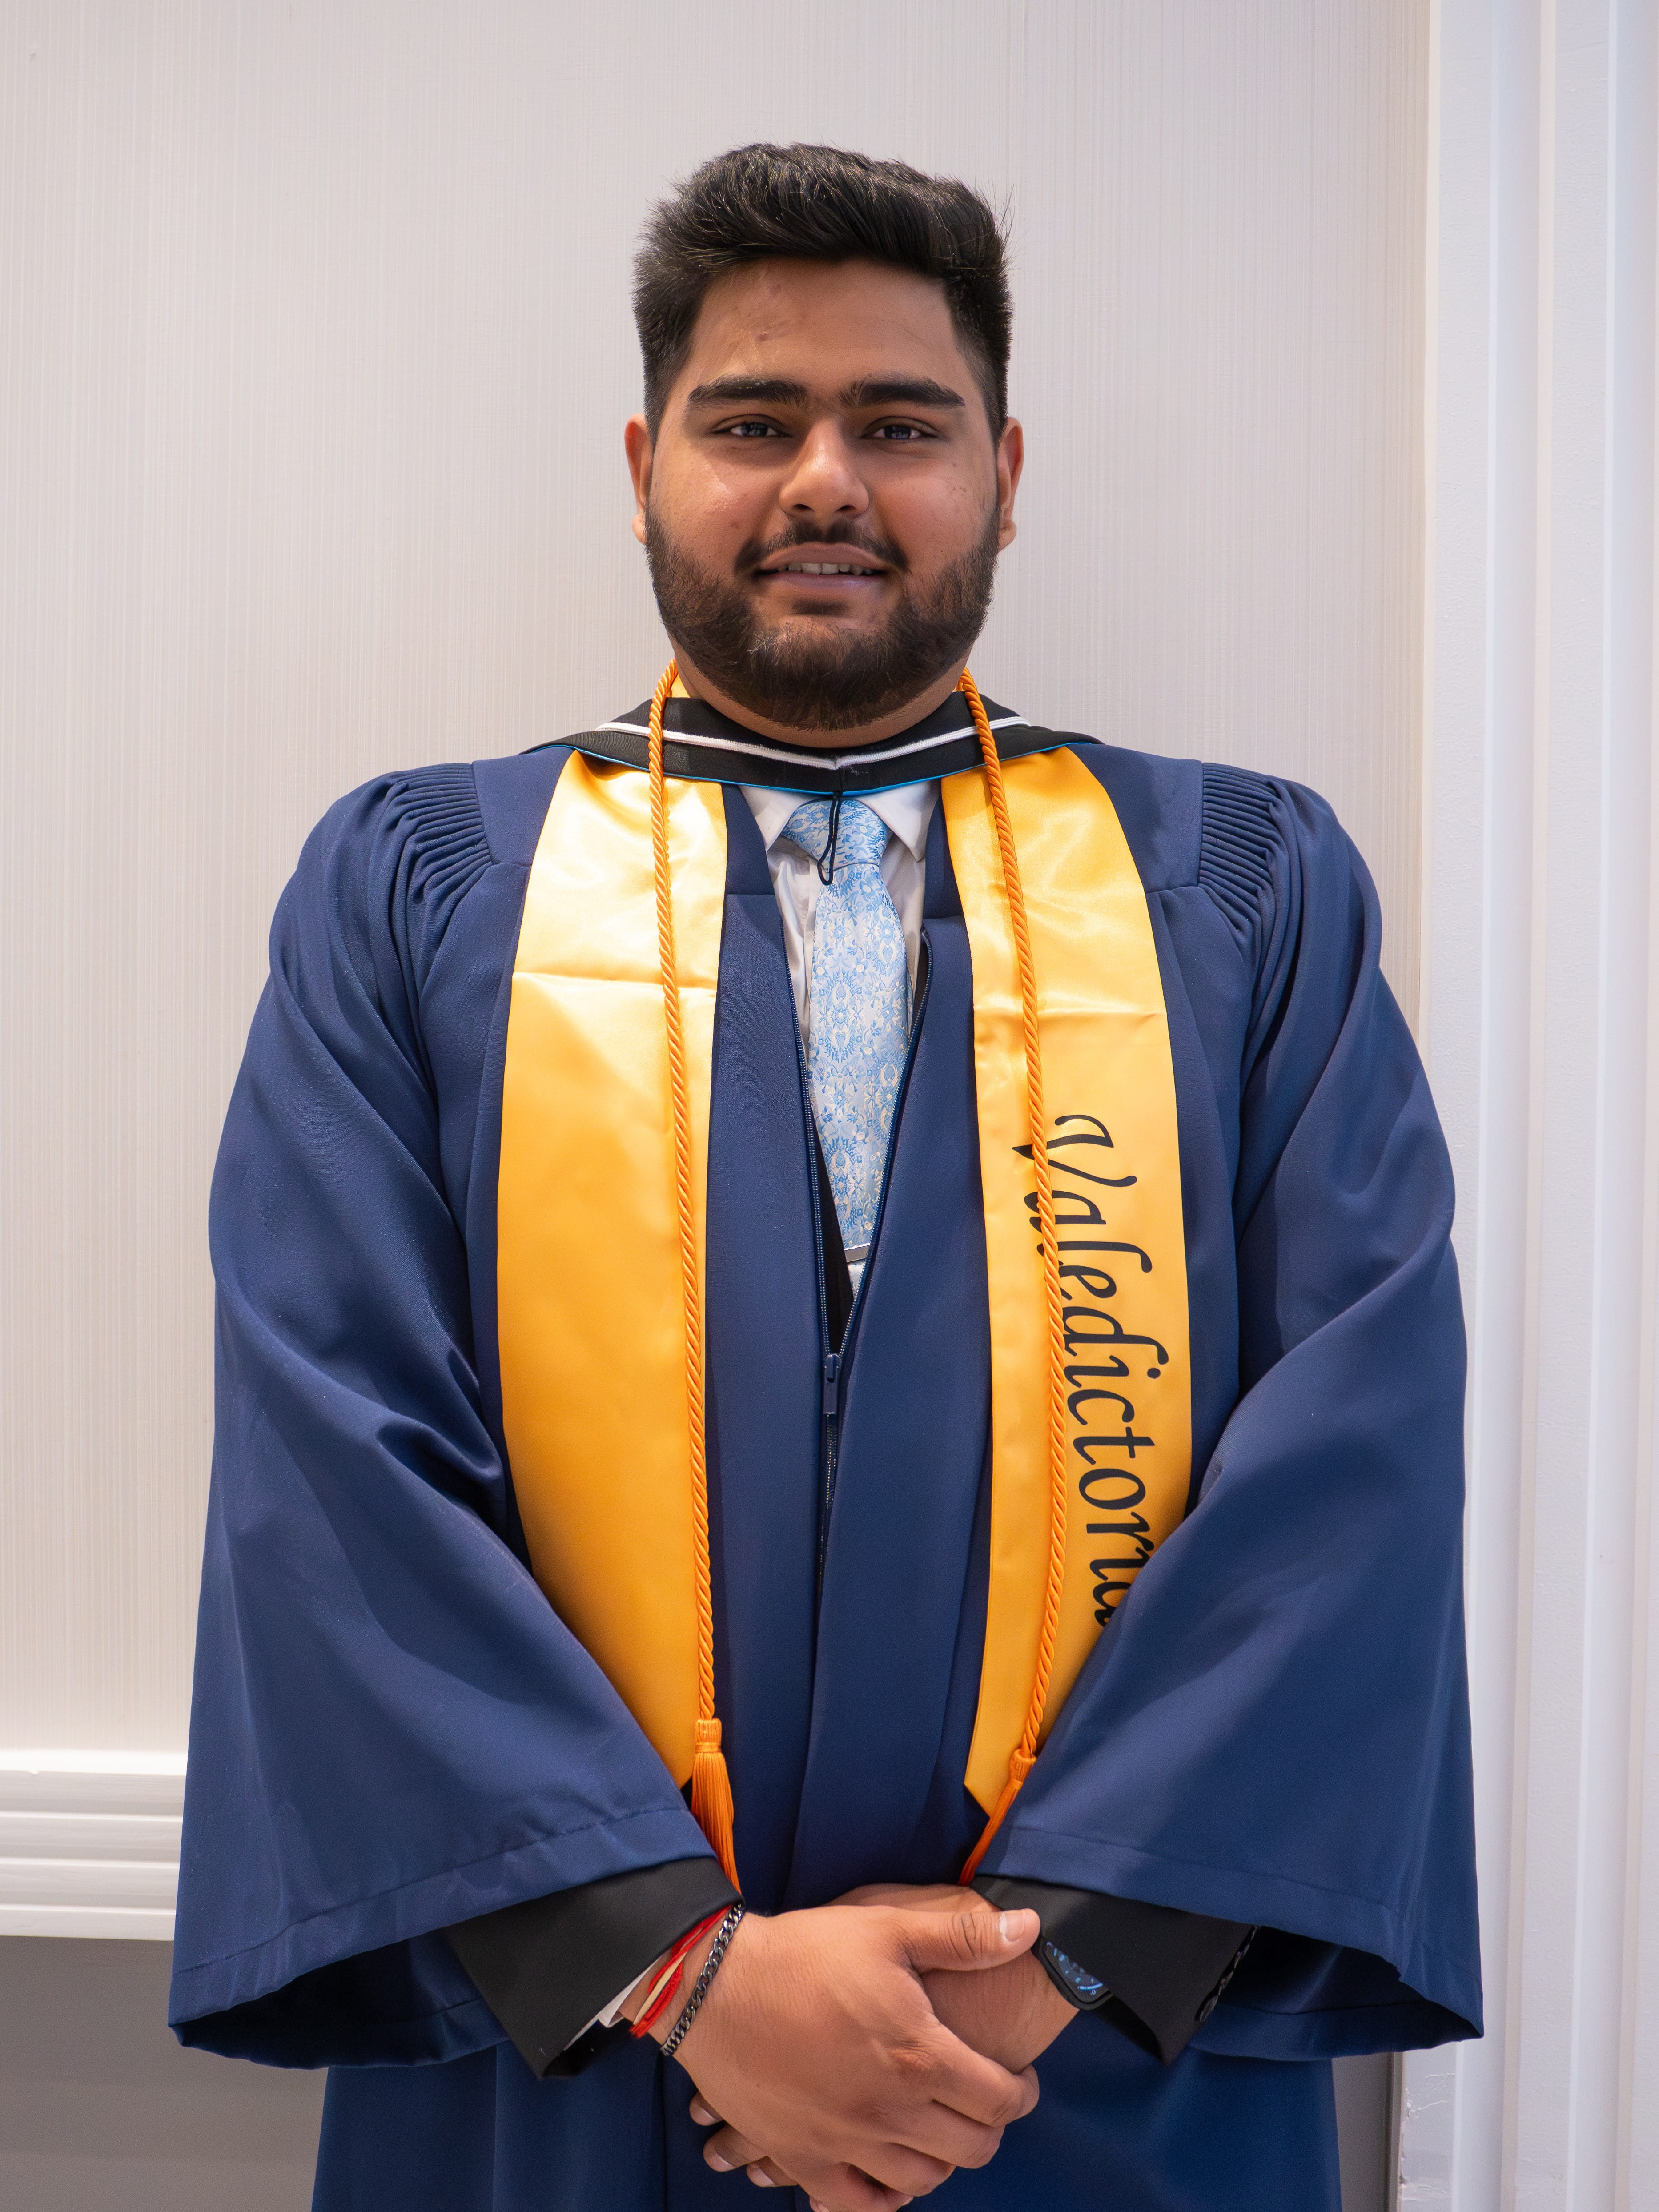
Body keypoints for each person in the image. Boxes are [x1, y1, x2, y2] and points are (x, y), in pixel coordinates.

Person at [170, 143, 1481, 2212]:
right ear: (644, 460)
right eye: (753, 421)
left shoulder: (1242, 894)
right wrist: (684, 1971)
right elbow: (335, 1453)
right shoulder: (422, 888)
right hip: (582, 2057)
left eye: (901, 423)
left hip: (1086, 2073)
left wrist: (1049, 1964)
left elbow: (1360, 1449)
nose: (825, 480)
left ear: (1007, 467)